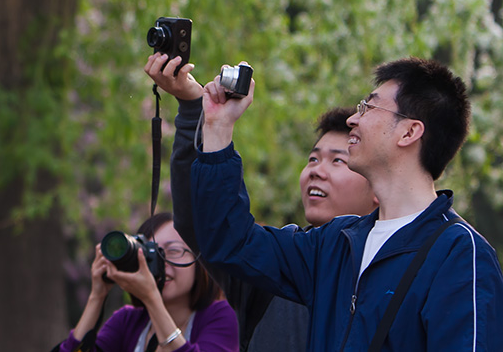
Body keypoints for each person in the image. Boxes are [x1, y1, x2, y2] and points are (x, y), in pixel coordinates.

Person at [190, 57, 503, 351]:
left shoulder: (459, 255)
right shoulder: (336, 242)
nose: (353, 119)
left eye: (368, 107)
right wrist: (218, 128)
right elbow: (231, 242)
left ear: (409, 131)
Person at [145, 53, 378, 351]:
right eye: (313, 158)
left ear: (377, 186)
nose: (317, 171)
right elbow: (203, 224)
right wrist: (195, 111)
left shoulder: (399, 266)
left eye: (338, 161)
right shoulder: (270, 263)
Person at [56, 211, 238, 352]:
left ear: (198, 261)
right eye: (151, 253)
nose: (161, 262)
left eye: (173, 251)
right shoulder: (127, 321)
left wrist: (152, 299)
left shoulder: (222, 315)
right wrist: (97, 295)